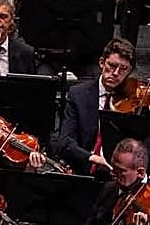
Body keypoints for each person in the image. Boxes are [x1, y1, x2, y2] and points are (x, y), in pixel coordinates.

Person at [56, 39, 138, 175]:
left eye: (123, 69)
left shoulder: (134, 100)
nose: (116, 73)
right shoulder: (78, 94)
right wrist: (90, 157)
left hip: (119, 174)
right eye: (112, 65)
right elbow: (65, 141)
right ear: (101, 62)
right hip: (84, 168)